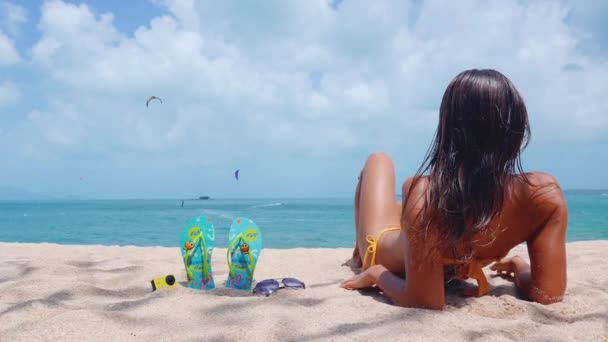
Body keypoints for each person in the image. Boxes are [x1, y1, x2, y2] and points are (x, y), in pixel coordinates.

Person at [340, 69, 568, 310]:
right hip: (406, 234)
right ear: (518, 128)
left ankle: (362, 253)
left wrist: (376, 273)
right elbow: (547, 294)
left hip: (384, 250)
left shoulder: (426, 194)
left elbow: (423, 300)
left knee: (378, 161)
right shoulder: (543, 195)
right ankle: (362, 246)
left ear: (448, 128)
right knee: (386, 174)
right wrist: (520, 267)